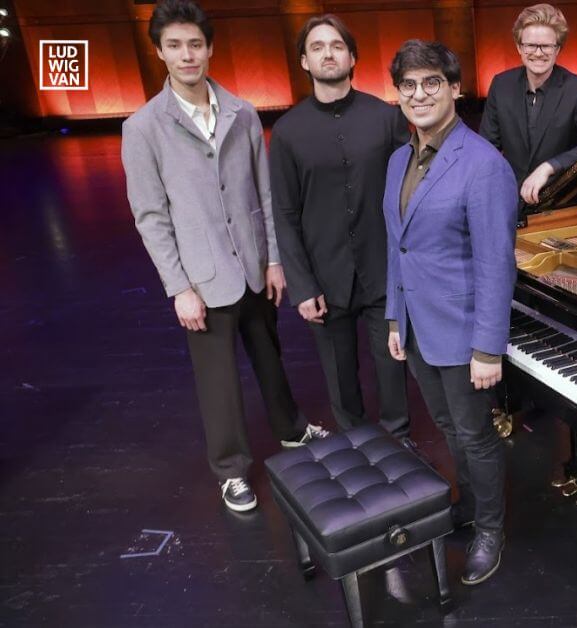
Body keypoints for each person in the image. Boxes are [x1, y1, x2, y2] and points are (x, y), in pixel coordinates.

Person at [121, 0, 326, 514]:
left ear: (209, 48)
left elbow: (264, 194)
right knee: (218, 383)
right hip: (202, 277)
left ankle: (292, 428)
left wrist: (273, 259)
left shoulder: (243, 112)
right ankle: (231, 469)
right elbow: (151, 216)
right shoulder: (142, 128)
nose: (186, 55)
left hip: (253, 265)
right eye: (174, 46)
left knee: (270, 358)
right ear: (160, 52)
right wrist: (179, 288)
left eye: (195, 44)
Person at [382, 40, 518, 586]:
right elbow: (397, 245)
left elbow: (495, 264)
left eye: (432, 82)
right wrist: (395, 317)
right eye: (408, 85)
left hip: (463, 333)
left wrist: (488, 347)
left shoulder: (484, 165)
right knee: (447, 428)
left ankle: (491, 530)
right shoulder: (398, 160)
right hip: (418, 327)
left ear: (456, 88)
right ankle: (470, 503)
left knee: (474, 434)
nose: (419, 94)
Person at [269, 14, 415, 446]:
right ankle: (358, 447)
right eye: (317, 47)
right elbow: (284, 213)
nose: (328, 54)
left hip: (383, 269)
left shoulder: (386, 118)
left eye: (336, 46)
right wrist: (302, 286)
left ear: (352, 57)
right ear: (304, 61)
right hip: (324, 277)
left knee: (392, 365)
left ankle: (399, 442)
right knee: (339, 376)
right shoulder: (287, 132)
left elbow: (408, 194)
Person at [479, 3, 577, 207]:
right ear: (519, 48)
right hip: (509, 201)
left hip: (560, 201)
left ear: (558, 49)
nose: (538, 53)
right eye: (531, 45)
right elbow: (486, 146)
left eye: (546, 46)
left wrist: (549, 167)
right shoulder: (501, 85)